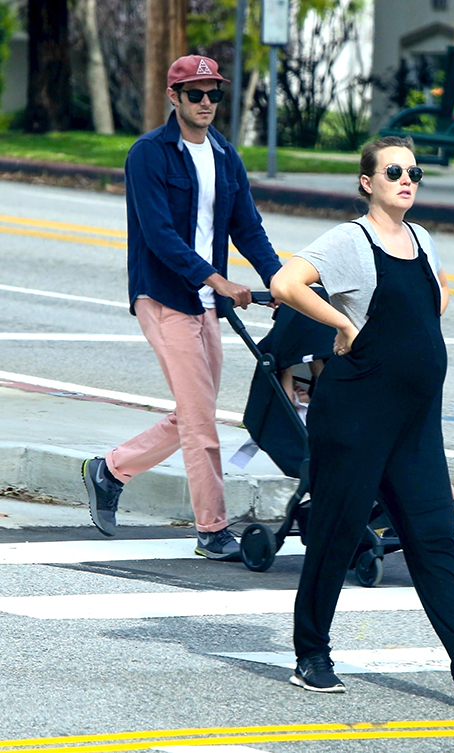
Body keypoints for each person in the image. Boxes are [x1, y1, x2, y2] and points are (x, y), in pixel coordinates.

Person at [270, 136, 454, 698]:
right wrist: (343, 326)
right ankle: (310, 655)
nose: (406, 178)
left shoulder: (422, 239)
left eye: (414, 171)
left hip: (414, 422)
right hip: (356, 418)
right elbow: (285, 284)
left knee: (435, 534)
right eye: (393, 171)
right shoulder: (350, 240)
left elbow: (436, 301)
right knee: (337, 536)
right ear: (368, 183)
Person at [81, 55, 281, 561]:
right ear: (174, 97)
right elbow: (160, 237)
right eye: (196, 94)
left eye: (214, 93)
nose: (207, 102)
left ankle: (110, 470)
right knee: (200, 424)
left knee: (196, 413)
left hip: (206, 303)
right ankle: (211, 531)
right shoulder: (149, 154)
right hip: (164, 296)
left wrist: (279, 281)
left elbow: (248, 228)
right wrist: (216, 278)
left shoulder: (225, 156)